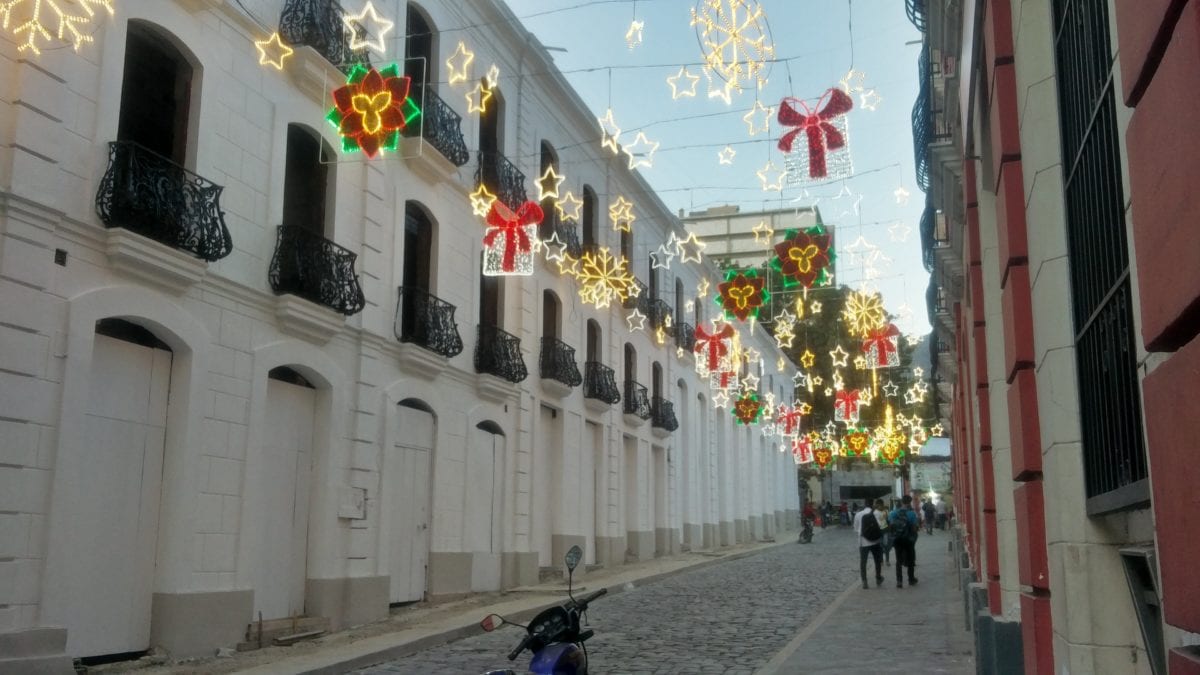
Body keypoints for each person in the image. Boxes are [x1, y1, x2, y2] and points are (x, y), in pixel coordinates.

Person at [889, 495, 919, 588]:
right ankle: (911, 579)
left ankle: (899, 581)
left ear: (901, 502)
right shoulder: (911, 514)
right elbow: (914, 528)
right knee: (910, 559)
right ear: (909, 502)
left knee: (898, 560)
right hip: (908, 539)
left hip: (897, 539)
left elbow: (890, 526)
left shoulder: (893, 513)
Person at [853, 501, 884, 589]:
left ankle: (864, 581)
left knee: (863, 562)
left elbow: (855, 528)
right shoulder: (878, 513)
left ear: (865, 504)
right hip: (876, 541)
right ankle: (878, 578)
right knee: (877, 560)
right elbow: (883, 526)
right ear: (872, 504)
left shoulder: (858, 514)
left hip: (863, 541)